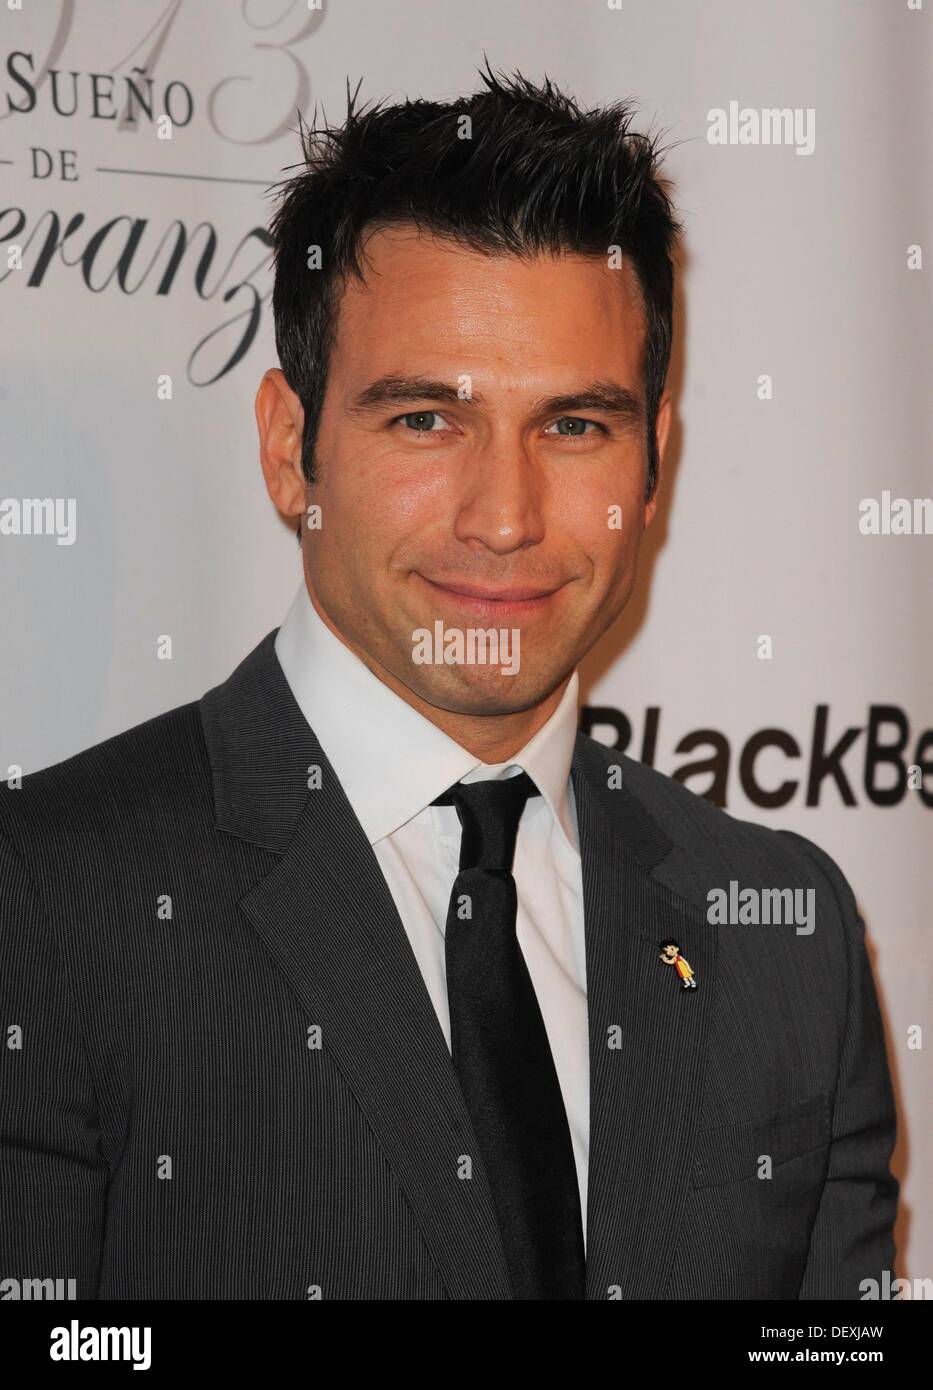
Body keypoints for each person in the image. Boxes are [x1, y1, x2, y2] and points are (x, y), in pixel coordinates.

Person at [0, 65, 898, 1301]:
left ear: (655, 461)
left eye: (575, 425)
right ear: (288, 447)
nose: (506, 517)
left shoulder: (784, 932)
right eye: (426, 420)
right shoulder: (41, 902)